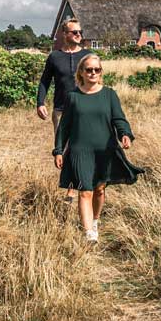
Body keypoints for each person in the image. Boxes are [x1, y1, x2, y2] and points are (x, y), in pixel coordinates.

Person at [53, 54, 143, 243]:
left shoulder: (109, 94)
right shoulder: (73, 96)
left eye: (97, 69)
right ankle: (89, 234)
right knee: (85, 190)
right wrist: (59, 150)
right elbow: (64, 126)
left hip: (105, 150)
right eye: (89, 69)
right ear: (81, 73)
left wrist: (124, 134)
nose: (93, 73)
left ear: (101, 72)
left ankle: (95, 220)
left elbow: (118, 118)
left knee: (99, 189)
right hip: (80, 150)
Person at [37, 19, 93, 203]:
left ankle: (74, 189)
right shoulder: (54, 57)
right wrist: (40, 102)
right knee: (65, 149)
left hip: (84, 108)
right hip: (61, 110)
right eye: (74, 32)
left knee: (80, 148)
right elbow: (45, 81)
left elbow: (97, 81)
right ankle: (71, 186)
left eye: (80, 32)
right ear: (64, 34)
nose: (79, 35)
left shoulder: (87, 56)